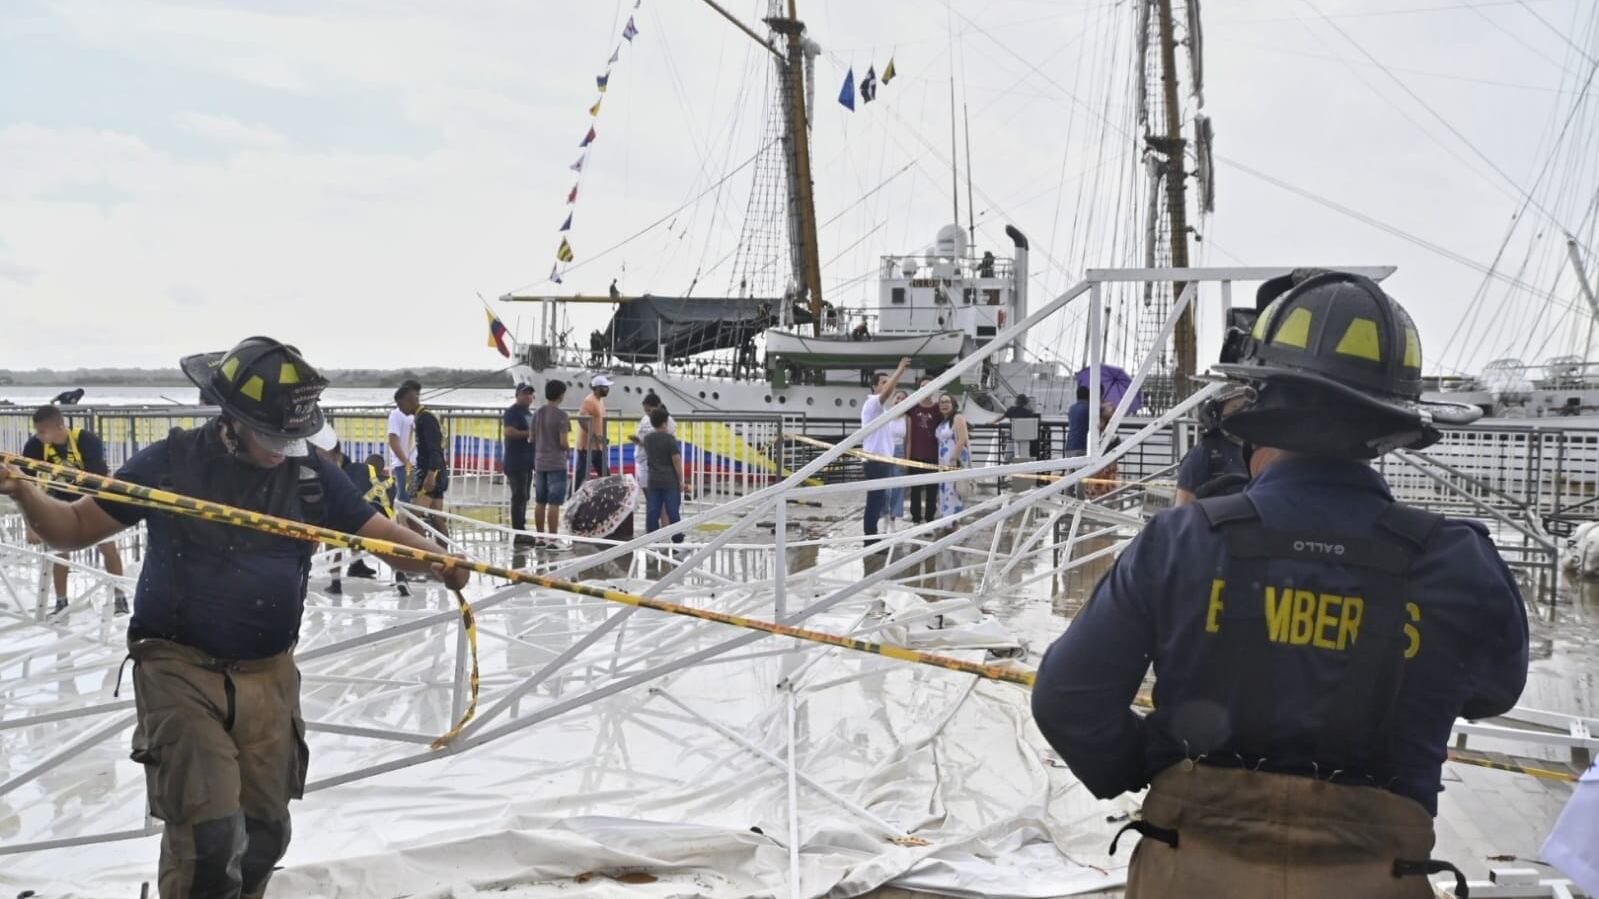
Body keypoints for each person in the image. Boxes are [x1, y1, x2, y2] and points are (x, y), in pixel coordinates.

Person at [1031, 272, 1528, 899]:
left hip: (1190, 867)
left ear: (1256, 415)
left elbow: (1066, 699)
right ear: (1384, 428)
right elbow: (1491, 693)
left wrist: (1148, 763)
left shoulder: (1180, 542)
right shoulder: (1458, 561)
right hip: (1378, 877)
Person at [0, 337, 469, 899]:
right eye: (270, 435)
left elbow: (379, 535)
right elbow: (72, 528)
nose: (281, 448)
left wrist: (435, 560)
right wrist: (24, 494)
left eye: (290, 437)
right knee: (210, 836)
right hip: (178, 667)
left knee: (266, 833)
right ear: (233, 418)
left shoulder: (310, 473)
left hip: (269, 675)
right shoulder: (170, 463)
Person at [22, 405, 128, 616]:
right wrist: (31, 525)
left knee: (108, 548)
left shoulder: (87, 441)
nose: (39, 436)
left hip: (93, 499)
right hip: (59, 499)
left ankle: (120, 598)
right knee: (59, 550)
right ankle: (62, 602)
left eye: (43, 432)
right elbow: (26, 484)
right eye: (37, 432)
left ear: (61, 427)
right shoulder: (34, 446)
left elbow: (99, 480)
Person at [860, 357, 912, 544]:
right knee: (874, 502)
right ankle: (870, 540)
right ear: (874, 387)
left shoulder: (882, 410)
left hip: (883, 461)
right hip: (875, 462)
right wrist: (899, 370)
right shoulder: (873, 403)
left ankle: (872, 537)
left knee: (878, 501)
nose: (887, 385)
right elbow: (888, 392)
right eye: (883, 382)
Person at [1173, 393, 1250, 507]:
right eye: (1235, 407)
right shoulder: (1204, 453)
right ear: (1217, 413)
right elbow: (1183, 508)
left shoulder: (1257, 451)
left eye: (1246, 407)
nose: (1242, 413)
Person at [398, 384, 449, 537]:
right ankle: (444, 554)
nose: (399, 409)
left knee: (412, 518)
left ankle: (425, 554)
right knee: (437, 519)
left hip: (432, 474)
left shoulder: (425, 419)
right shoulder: (422, 417)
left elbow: (435, 448)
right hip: (437, 472)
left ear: (410, 400)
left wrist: (430, 474)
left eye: (400, 405)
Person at [532, 379, 571, 548]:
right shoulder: (562, 416)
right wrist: (568, 450)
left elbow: (532, 438)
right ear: (561, 395)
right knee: (554, 503)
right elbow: (563, 441)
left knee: (540, 501)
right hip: (556, 462)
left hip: (540, 462)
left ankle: (540, 538)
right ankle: (553, 540)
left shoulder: (537, 413)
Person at [641, 407, 687, 545]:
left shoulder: (648, 439)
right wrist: (681, 480)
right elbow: (676, 460)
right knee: (672, 510)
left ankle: (652, 538)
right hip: (669, 480)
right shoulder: (670, 439)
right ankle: (677, 538)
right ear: (665, 422)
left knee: (653, 509)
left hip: (653, 479)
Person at [631, 393, 676, 527]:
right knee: (652, 501)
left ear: (657, 407)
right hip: (643, 462)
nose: (648, 413)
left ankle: (661, 531)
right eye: (646, 411)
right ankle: (654, 530)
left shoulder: (668, 422)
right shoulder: (646, 419)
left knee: (659, 502)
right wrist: (640, 443)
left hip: (657, 464)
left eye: (649, 410)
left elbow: (667, 445)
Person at [503, 383, 537, 544]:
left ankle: (521, 528)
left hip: (528, 461)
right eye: (524, 394)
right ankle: (518, 532)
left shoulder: (528, 413)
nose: (527, 396)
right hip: (515, 461)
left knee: (525, 496)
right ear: (517, 395)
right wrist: (529, 433)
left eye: (530, 394)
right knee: (518, 496)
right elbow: (509, 431)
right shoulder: (512, 412)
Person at [905, 377, 941, 525]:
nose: (925, 389)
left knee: (932, 491)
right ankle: (916, 519)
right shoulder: (912, 408)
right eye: (922, 386)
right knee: (915, 491)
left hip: (933, 456)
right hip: (915, 455)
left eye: (929, 386)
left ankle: (930, 519)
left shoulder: (937, 409)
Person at [934, 393, 971, 519]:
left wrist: (954, 458)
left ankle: (954, 523)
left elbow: (962, 439)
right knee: (945, 492)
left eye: (947, 401)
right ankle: (947, 522)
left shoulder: (958, 418)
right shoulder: (943, 422)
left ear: (953, 404)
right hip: (943, 463)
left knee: (954, 492)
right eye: (941, 402)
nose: (944, 404)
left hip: (954, 461)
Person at [386, 378, 420, 506]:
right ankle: (403, 525)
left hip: (417, 463)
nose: (417, 399)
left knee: (415, 499)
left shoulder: (416, 414)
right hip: (404, 465)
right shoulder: (396, 414)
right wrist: (406, 463)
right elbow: (393, 440)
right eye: (415, 395)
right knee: (405, 501)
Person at [575, 375, 611, 489]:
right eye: (605, 387)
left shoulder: (599, 401)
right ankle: (571, 497)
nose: (608, 389)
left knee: (605, 474)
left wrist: (601, 438)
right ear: (597, 388)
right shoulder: (589, 401)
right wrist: (594, 436)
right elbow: (581, 419)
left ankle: (607, 498)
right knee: (581, 474)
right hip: (587, 446)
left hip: (597, 445)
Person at [885, 390, 909, 531]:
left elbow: (908, 440)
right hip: (886, 451)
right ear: (893, 399)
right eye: (897, 397)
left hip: (900, 451)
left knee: (897, 487)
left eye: (902, 399)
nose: (899, 400)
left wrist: (906, 458)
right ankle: (885, 517)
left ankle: (893, 518)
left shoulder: (907, 419)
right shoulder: (886, 415)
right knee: (885, 487)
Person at [999, 393, 1042, 459]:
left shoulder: (1011, 410)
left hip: (1013, 437)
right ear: (1025, 402)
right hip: (1025, 438)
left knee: (1007, 457)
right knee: (1024, 456)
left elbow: (1002, 417)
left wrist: (992, 422)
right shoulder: (1028, 413)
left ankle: (1007, 467)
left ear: (1016, 401)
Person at [1065, 384, 1092, 455]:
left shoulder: (1072, 408)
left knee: (1072, 466)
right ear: (1088, 396)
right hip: (1083, 446)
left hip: (1070, 445)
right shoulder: (1089, 408)